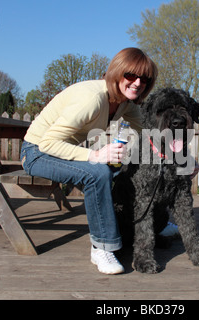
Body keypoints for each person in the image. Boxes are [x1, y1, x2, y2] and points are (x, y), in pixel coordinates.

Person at [20, 48, 158, 274]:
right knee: (97, 173)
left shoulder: (125, 102)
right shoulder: (92, 99)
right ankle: (102, 247)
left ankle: (150, 224)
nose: (137, 83)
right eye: (131, 75)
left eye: (145, 78)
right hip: (36, 153)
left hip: (61, 152)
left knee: (123, 167)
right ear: (116, 73)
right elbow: (46, 143)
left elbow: (150, 133)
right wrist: (95, 155)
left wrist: (179, 159)